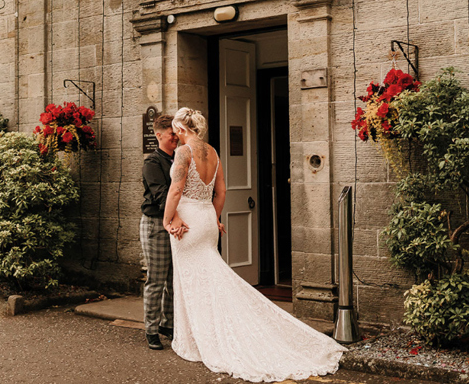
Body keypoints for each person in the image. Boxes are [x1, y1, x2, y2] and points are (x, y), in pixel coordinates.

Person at [162, 107, 347, 382]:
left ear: (180, 129)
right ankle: (205, 335)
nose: (175, 137)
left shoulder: (184, 152)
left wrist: (167, 221)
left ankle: (197, 341)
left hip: (187, 221)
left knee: (193, 281)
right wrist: (213, 218)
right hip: (207, 219)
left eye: (176, 132)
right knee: (210, 279)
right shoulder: (212, 152)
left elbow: (176, 189)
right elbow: (221, 190)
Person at [140, 114, 185, 350]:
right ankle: (151, 329)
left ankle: (168, 324)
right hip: (156, 224)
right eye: (171, 134)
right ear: (159, 135)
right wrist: (174, 217)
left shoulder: (179, 158)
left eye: (177, 133)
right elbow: (160, 194)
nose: (176, 137)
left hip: (174, 224)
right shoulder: (152, 162)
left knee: (172, 279)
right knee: (156, 280)